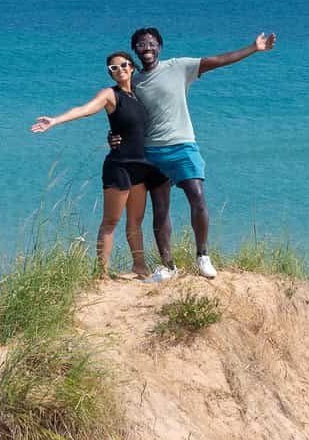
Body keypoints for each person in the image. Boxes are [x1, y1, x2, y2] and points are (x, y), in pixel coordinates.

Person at [120, 26, 277, 280]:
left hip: (183, 145)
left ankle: (202, 256)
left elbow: (217, 61)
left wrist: (253, 49)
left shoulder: (179, 67)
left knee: (197, 197)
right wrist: (116, 137)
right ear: (135, 50)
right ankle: (168, 266)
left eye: (151, 44)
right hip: (151, 152)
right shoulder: (134, 81)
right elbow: (123, 114)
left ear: (160, 46)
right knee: (160, 209)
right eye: (140, 44)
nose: (147, 48)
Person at [30, 51, 169, 278]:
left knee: (136, 221)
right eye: (114, 68)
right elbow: (85, 109)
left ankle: (139, 266)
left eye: (124, 65)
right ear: (110, 73)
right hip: (119, 165)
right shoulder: (110, 95)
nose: (120, 70)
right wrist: (55, 120)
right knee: (111, 221)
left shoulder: (139, 94)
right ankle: (102, 273)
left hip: (142, 166)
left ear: (132, 67)